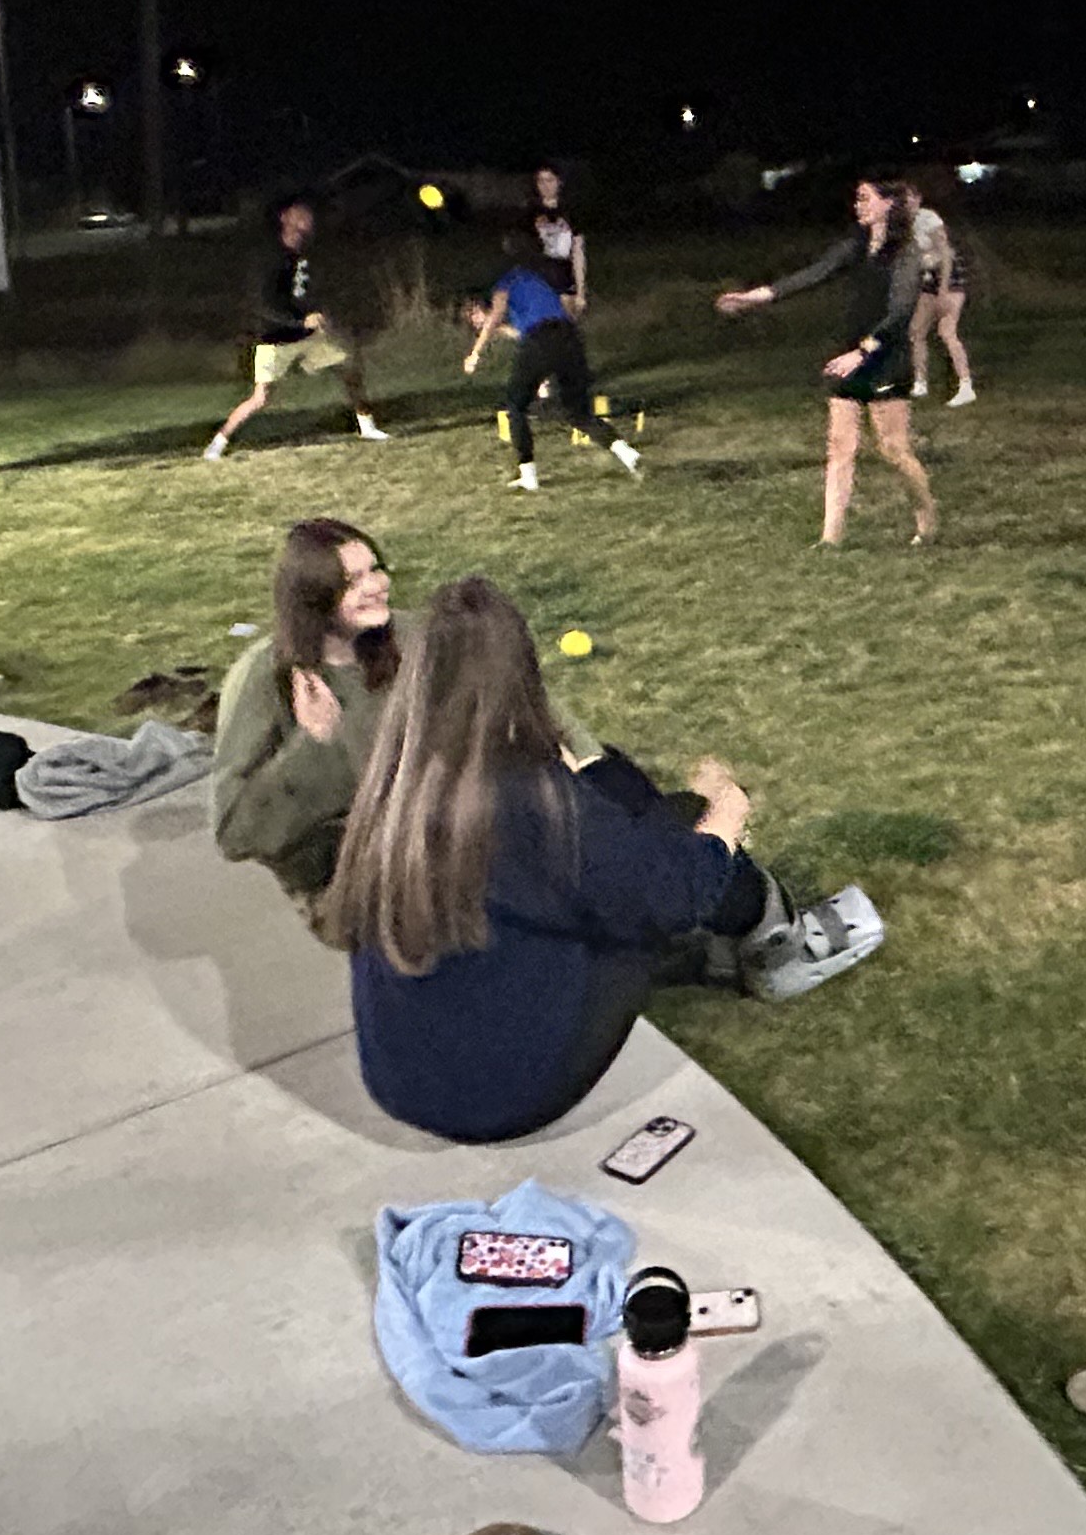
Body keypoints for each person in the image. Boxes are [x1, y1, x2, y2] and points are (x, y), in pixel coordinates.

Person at [323, 575, 831, 1145]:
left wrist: (595, 772)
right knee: (665, 854)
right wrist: (728, 810)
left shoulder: (395, 781)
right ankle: (768, 931)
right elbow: (672, 891)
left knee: (632, 822)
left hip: (399, 1081)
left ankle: (736, 928)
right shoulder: (527, 801)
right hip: (501, 1097)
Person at [716, 177, 936, 547]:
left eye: (865, 198)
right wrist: (755, 298)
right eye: (856, 198)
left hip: (884, 356)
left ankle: (926, 513)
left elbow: (899, 314)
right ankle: (830, 538)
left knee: (893, 448)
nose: (858, 205)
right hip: (847, 353)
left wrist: (862, 352)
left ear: (887, 204)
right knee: (839, 446)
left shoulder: (907, 253)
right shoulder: (856, 244)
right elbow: (813, 274)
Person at [212, 518, 408, 908]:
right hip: (342, 879)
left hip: (427, 845)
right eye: (352, 582)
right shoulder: (265, 677)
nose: (375, 586)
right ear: (313, 596)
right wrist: (314, 745)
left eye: (376, 569)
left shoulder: (413, 641)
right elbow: (235, 832)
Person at [207, 196, 393, 460]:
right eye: (299, 214)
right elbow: (260, 306)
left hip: (306, 336)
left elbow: (303, 294)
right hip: (275, 338)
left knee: (348, 368)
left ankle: (368, 427)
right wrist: (299, 321)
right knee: (260, 399)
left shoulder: (303, 254)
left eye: (308, 214)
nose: (307, 219)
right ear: (284, 218)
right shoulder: (270, 258)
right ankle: (217, 444)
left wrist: (315, 313)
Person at [463, 253, 646, 493]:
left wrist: (476, 352)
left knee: (515, 406)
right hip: (570, 338)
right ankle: (628, 455)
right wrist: (496, 328)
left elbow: (500, 318)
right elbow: (522, 331)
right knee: (577, 412)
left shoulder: (505, 283)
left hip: (542, 340)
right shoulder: (534, 283)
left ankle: (528, 474)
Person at [901, 183, 978, 406]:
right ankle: (920, 382)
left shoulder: (929, 219)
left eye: (909, 198)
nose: (906, 203)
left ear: (917, 198)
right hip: (927, 279)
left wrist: (944, 289)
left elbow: (945, 254)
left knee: (946, 331)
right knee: (916, 331)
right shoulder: (903, 224)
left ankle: (966, 385)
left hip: (948, 277)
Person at [526, 164, 591, 315]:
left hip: (564, 273)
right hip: (540, 273)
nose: (545, 186)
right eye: (541, 181)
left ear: (558, 182)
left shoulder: (570, 211)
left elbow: (578, 250)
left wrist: (581, 291)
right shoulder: (530, 212)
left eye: (549, 180)